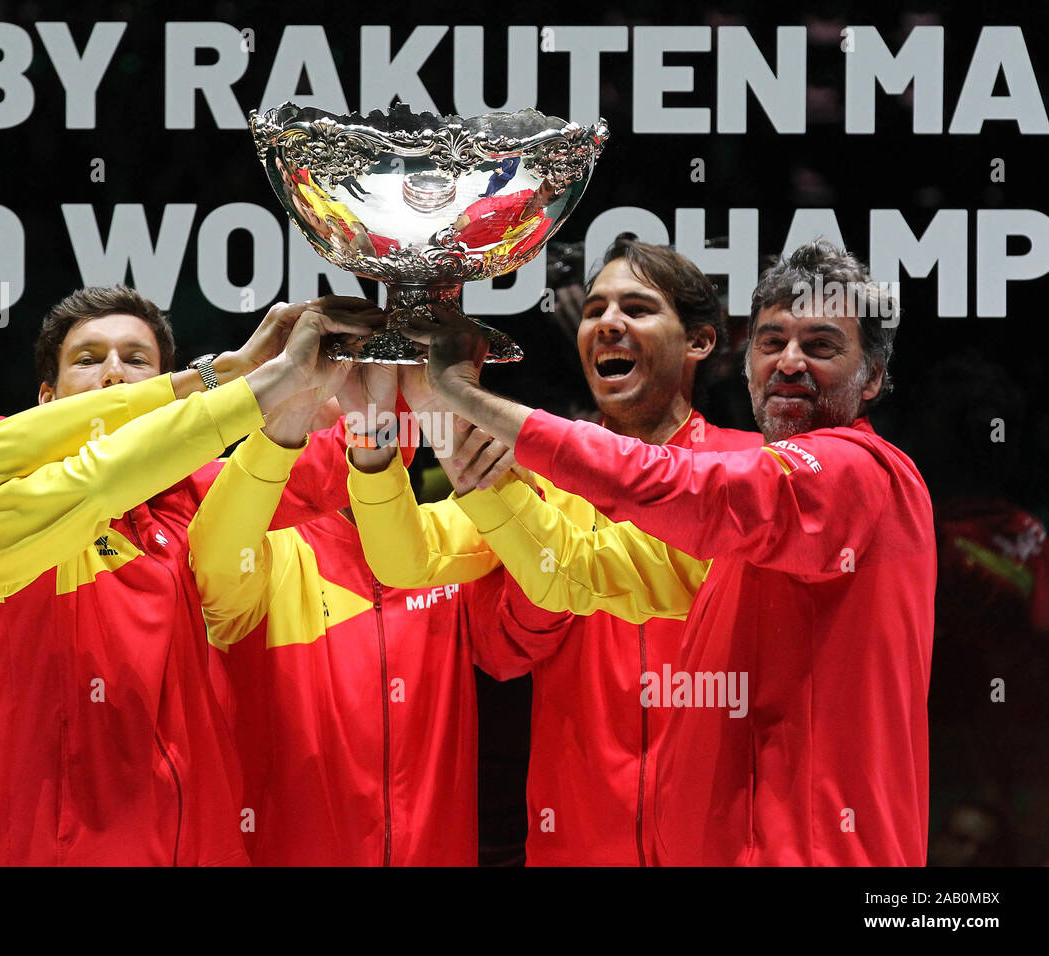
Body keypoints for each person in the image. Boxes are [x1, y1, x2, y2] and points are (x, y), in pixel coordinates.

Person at [0, 241, 344, 865]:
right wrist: (226, 380)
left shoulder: (15, 445)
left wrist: (371, 400)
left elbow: (193, 470)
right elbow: (63, 467)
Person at [412, 239, 935, 865]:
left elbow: (682, 488)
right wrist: (446, 440)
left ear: (872, 376)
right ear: (748, 366)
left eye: (821, 345)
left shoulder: (849, 472)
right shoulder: (737, 509)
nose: (790, 362)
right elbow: (573, 574)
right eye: (771, 343)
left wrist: (472, 399)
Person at [349, 235, 758, 865]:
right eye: (594, 311)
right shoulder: (538, 475)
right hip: (576, 840)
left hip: (727, 843)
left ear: (700, 342)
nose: (608, 323)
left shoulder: (751, 471)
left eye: (638, 309)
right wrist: (376, 440)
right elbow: (407, 561)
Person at [0, 285, 385, 865]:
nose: (114, 377)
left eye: (136, 362)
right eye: (87, 359)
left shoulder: (190, 495)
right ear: (45, 399)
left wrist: (387, 362)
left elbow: (326, 468)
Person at [188, 362, 571, 865]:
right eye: (346, 379)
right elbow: (216, 554)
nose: (369, 400)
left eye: (391, 386)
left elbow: (516, 649)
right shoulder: (256, 548)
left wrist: (522, 503)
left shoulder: (456, 535)